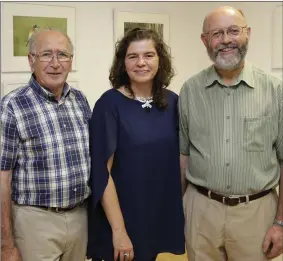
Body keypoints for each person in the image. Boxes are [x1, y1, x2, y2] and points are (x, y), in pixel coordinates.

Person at [179, 6, 283, 261]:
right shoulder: (190, 91)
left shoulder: (274, 91)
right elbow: (184, 156)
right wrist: (178, 213)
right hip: (201, 212)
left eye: (234, 31)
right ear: (205, 40)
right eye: (217, 33)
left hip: (256, 214)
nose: (226, 40)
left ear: (248, 33)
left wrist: (280, 223)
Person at [87, 28, 185, 261]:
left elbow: (179, 161)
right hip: (121, 220)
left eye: (149, 55)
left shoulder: (172, 102)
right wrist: (119, 232)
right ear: (123, 63)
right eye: (133, 56)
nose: (141, 63)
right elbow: (102, 173)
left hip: (156, 217)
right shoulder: (109, 104)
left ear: (160, 60)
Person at [0, 29, 91, 261]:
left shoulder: (80, 101)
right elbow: (3, 178)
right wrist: (6, 244)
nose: (55, 63)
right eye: (46, 55)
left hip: (80, 217)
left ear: (71, 61)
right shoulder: (12, 106)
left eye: (62, 55)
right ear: (31, 60)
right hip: (35, 222)